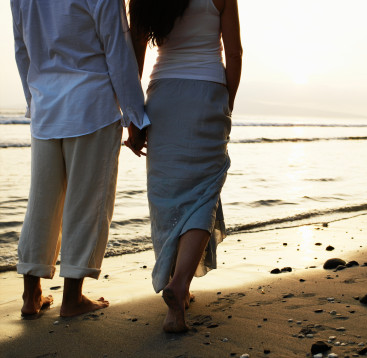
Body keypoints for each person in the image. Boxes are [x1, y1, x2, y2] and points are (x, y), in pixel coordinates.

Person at [11, 0, 149, 317]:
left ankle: (31, 297)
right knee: (87, 203)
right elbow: (118, 50)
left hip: (46, 107)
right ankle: (72, 298)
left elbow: (22, 50)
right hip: (92, 106)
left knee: (41, 204)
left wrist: (36, 103)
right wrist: (135, 117)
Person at [126, 0, 242, 332]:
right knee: (203, 194)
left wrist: (134, 117)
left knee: (169, 196)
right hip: (208, 90)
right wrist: (226, 102)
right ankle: (179, 286)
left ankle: (179, 290)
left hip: (163, 95)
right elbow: (234, 55)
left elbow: (135, 54)